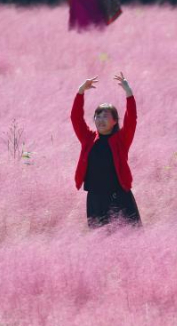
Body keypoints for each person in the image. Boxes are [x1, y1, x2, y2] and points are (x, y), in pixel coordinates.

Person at [72, 72, 141, 227]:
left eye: (105, 116)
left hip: (120, 198)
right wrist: (80, 91)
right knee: (100, 243)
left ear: (114, 121)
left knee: (129, 240)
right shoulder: (88, 139)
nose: (100, 120)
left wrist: (128, 93)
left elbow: (131, 120)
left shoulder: (121, 140)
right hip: (96, 200)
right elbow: (76, 118)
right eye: (98, 116)